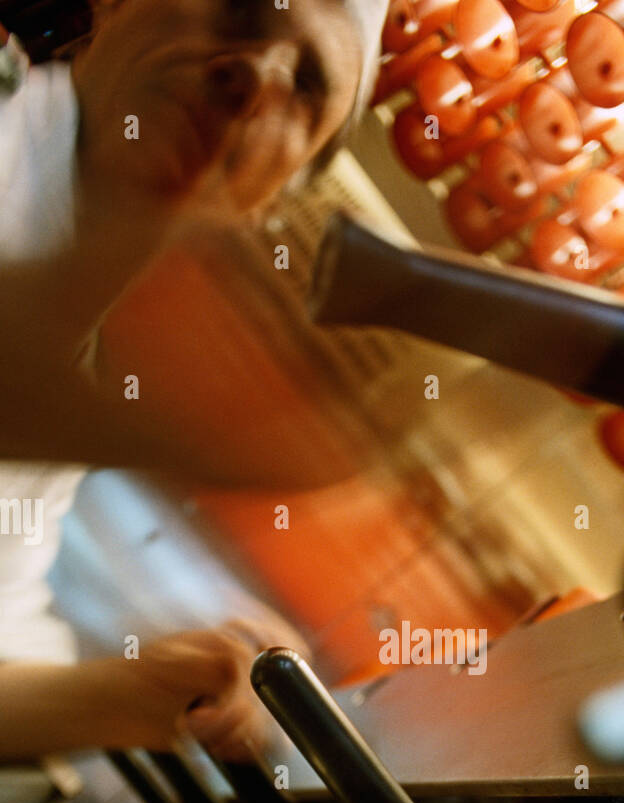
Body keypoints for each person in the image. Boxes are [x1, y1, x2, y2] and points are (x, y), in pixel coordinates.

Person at [0, 0, 387, 762]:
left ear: (268, 201)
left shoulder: (90, 339)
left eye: (307, 84)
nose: (257, 73)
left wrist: (149, 697)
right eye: (239, 7)